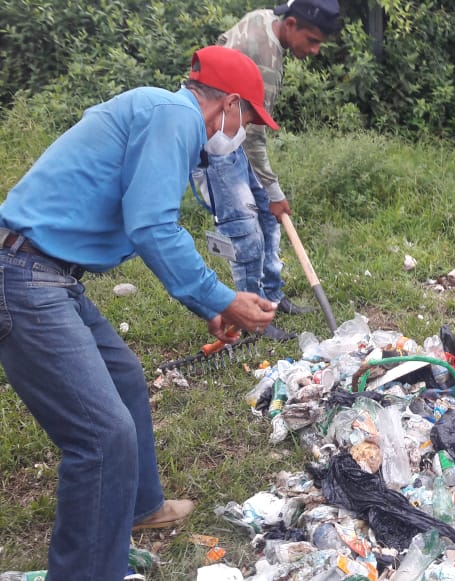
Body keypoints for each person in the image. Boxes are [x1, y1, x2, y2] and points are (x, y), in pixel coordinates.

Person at [0, 46, 279, 580]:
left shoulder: (157, 111)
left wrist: (208, 302)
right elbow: (152, 225)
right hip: (24, 275)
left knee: (123, 375)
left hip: (46, 272)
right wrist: (221, 297)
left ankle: (139, 506)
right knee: (102, 437)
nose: (242, 132)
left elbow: (142, 217)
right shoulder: (174, 116)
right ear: (229, 104)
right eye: (247, 119)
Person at [192, 0, 342, 340]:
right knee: (247, 231)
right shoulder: (266, 59)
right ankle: (253, 320)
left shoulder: (263, 18)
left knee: (269, 220)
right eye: (313, 40)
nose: (316, 50)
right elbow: (254, 134)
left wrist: (270, 199)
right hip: (215, 140)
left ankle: (271, 298)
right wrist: (275, 193)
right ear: (291, 24)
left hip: (236, 135)